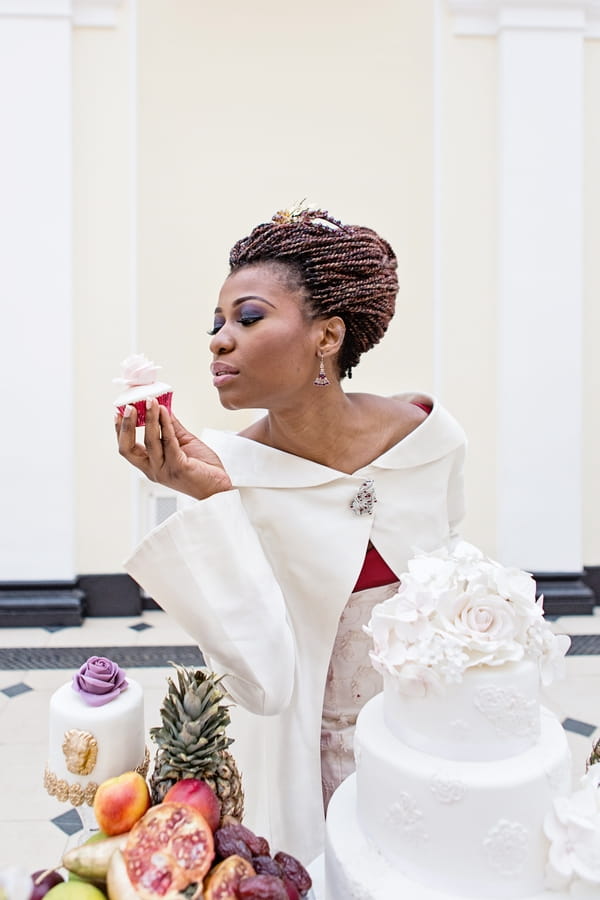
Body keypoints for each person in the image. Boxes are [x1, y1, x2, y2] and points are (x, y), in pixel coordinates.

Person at [115, 205, 466, 865]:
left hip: (434, 740)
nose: (220, 340)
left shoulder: (429, 438)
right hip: (310, 756)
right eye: (216, 324)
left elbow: (451, 575)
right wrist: (211, 499)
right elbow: (263, 685)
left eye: (248, 318)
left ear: (328, 336)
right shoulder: (227, 472)